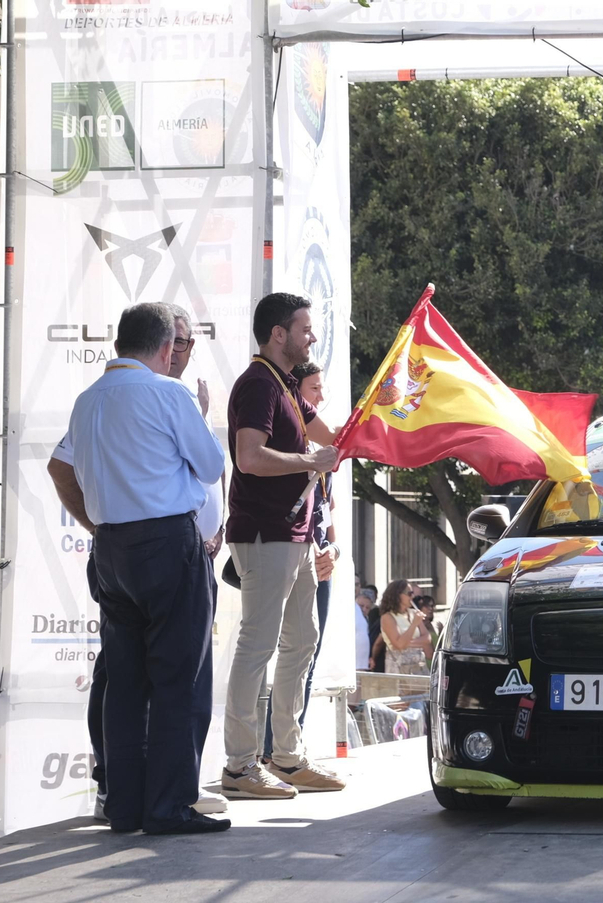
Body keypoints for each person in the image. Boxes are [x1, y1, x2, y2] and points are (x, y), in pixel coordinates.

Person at [50, 306, 230, 821]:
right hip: (167, 545)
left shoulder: (87, 401)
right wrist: (197, 413)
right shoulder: (167, 393)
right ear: (162, 348)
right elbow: (212, 465)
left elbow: (66, 470)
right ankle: (170, 805)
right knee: (177, 678)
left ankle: (124, 803)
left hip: (110, 545)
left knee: (124, 681)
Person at [221, 292, 346, 800]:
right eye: (304, 329)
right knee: (259, 644)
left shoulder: (288, 387)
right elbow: (249, 458)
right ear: (279, 334)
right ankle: (238, 765)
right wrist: (311, 462)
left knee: (302, 640)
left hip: (293, 537)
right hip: (263, 532)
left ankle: (286, 757)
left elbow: (334, 439)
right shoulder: (257, 384)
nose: (311, 337)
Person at [262, 360, 340, 762]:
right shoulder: (289, 451)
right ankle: (266, 751)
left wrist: (332, 551)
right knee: (273, 649)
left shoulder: (325, 456)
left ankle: (292, 746)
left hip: (319, 562)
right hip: (284, 553)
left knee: (306, 651)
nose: (319, 399)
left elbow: (328, 512)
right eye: (314, 390)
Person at [378, 580, 433, 675]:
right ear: (398, 595)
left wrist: (406, 643)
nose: (412, 596)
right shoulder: (388, 617)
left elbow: (427, 639)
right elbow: (399, 645)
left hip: (418, 666)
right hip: (398, 667)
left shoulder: (414, 613)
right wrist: (414, 624)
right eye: (409, 593)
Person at [354, 586, 377, 671]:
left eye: (367, 608)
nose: (364, 609)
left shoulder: (367, 620)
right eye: (361, 605)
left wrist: (369, 656)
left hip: (362, 665)